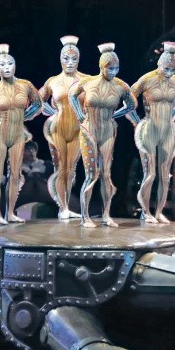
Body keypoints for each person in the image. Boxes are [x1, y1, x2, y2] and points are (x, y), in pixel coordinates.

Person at [68, 42, 137, 228]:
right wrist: (79, 113)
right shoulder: (88, 82)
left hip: (107, 131)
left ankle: (106, 215)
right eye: (110, 68)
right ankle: (85, 216)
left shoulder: (121, 86)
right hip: (88, 131)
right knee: (91, 175)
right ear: (101, 67)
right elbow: (72, 95)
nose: (113, 72)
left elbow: (132, 105)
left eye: (116, 68)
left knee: (106, 174)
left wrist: (116, 115)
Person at [0, 43, 42, 225]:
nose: (6, 68)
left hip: (18, 133)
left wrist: (25, 116)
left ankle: (10, 212)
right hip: (0, 134)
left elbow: (37, 103)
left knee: (15, 174)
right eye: (2, 65)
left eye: (9, 64)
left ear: (15, 65)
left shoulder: (25, 85)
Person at [126, 41, 175, 223]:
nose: (169, 72)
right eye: (166, 68)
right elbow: (128, 98)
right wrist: (136, 121)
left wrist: (172, 117)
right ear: (159, 64)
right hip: (150, 128)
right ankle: (145, 211)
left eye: (173, 69)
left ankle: (158, 211)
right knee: (150, 174)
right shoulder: (147, 79)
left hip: (167, 129)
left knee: (165, 175)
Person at [38, 35, 90, 220]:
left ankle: (65, 206)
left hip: (78, 129)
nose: (70, 62)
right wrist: (51, 111)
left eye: (74, 59)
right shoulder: (52, 81)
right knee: (61, 168)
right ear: (60, 59)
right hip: (57, 129)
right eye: (66, 58)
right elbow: (37, 100)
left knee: (71, 169)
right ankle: (63, 208)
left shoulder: (86, 80)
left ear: (79, 59)